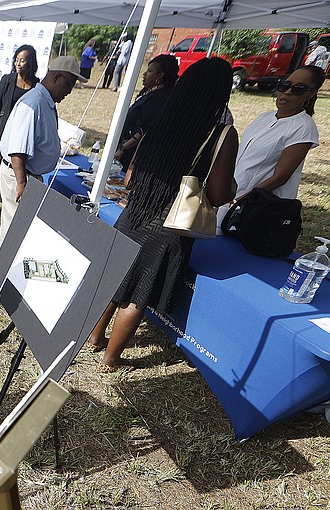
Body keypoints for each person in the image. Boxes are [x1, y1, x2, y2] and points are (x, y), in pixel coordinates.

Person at [85, 58, 239, 372]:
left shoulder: (163, 121)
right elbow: (221, 194)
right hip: (170, 228)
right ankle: (111, 359)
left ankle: (96, 337)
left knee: (117, 279)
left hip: (134, 214)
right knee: (138, 296)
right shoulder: (222, 134)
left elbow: (130, 177)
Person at [0, 56, 88, 252]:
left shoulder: (45, 101)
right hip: (20, 176)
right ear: (55, 78)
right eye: (69, 84)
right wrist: (22, 183)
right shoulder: (33, 103)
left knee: (21, 231)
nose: (69, 91)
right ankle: (2, 278)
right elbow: (18, 149)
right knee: (14, 232)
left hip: (28, 176)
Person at [217, 65, 324, 231]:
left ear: (310, 93)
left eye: (298, 89)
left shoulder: (303, 127)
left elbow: (281, 177)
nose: (287, 92)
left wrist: (243, 199)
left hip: (261, 208)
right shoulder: (264, 117)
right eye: (285, 86)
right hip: (233, 198)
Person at [0, 45, 39, 209]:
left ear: (30, 63)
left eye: (22, 60)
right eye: (16, 60)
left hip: (23, 133)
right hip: (3, 130)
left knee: (18, 164)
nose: (18, 63)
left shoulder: (37, 84)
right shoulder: (7, 80)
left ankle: (18, 190)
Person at [114, 54, 179, 171]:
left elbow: (144, 129)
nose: (144, 74)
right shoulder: (149, 92)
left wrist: (122, 149)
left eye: (150, 71)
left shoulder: (159, 98)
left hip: (131, 154)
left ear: (160, 75)